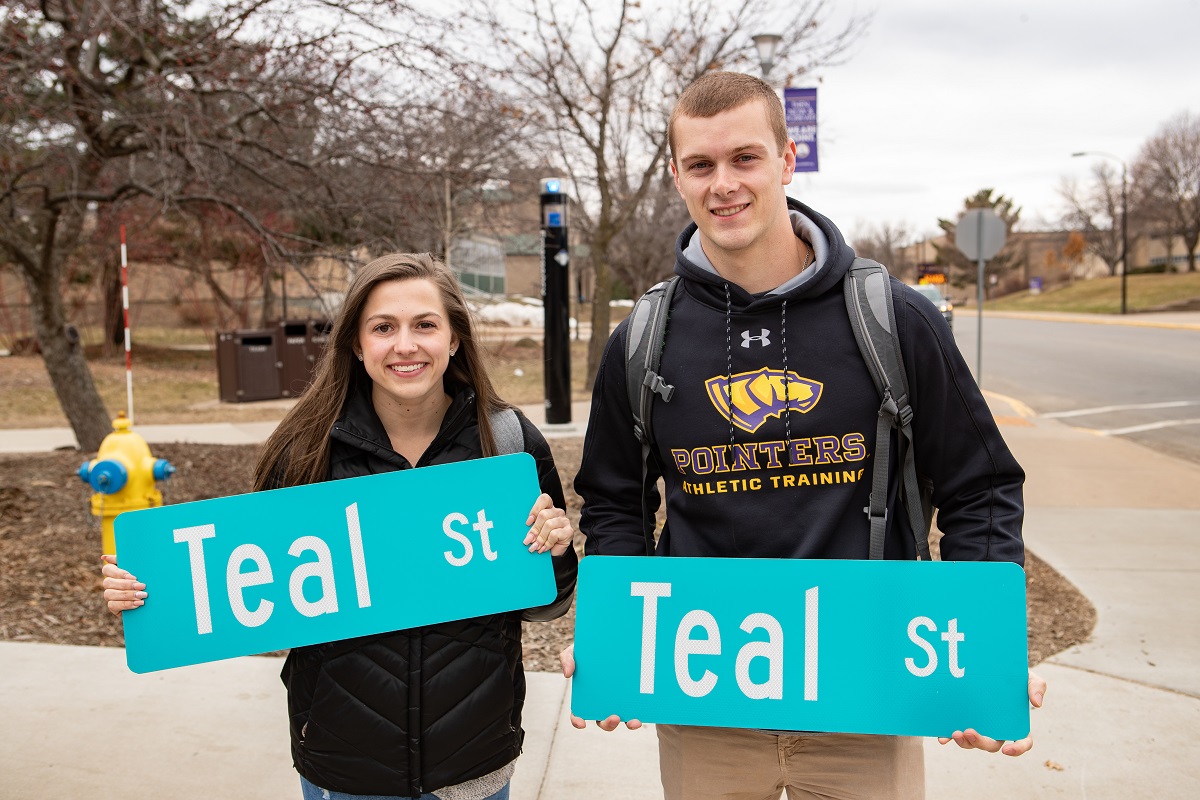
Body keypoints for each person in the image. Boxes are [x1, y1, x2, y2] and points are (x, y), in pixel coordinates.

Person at [560, 71, 1045, 799]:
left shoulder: (894, 317)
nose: (723, 183)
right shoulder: (645, 339)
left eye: (745, 158)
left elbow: (980, 485)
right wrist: (621, 638)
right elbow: (615, 500)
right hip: (705, 700)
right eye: (701, 164)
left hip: (867, 696)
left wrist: (979, 651)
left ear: (787, 162)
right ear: (676, 177)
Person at [102, 252, 579, 800]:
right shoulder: (304, 451)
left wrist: (555, 549)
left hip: (473, 762)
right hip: (344, 766)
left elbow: (547, 603)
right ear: (356, 343)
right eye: (383, 327)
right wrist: (150, 590)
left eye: (425, 325)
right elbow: (242, 581)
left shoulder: (509, 444)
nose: (405, 345)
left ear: (453, 339)